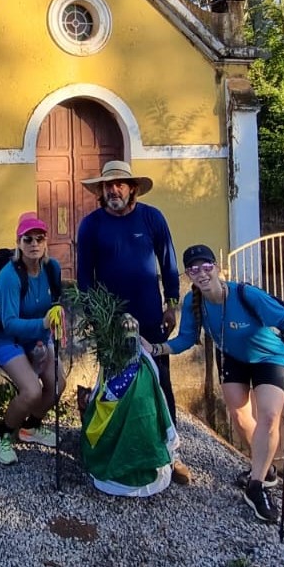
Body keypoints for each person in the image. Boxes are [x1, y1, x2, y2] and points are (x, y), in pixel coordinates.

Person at [143, 244, 284, 523]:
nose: (201, 273)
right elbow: (186, 338)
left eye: (206, 266)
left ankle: (256, 485)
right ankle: (265, 467)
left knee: (269, 416)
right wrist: (156, 349)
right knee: (238, 414)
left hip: (269, 357)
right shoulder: (192, 302)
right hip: (231, 356)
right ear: (189, 274)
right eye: (194, 269)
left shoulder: (246, 294)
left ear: (217, 268)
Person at [76, 159, 190, 484]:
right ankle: (114, 450)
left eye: (119, 184)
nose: (113, 190)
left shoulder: (152, 218)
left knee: (160, 383)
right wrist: (95, 317)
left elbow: (168, 262)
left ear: (132, 189)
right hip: (110, 321)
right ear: (101, 191)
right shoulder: (91, 225)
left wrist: (171, 304)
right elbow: (85, 277)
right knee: (114, 384)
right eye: (107, 186)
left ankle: (170, 452)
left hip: (152, 318)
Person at [0, 212, 66, 465]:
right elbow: (9, 323)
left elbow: (53, 303)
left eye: (39, 239)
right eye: (27, 239)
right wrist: (42, 325)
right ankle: (3, 435)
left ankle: (30, 427)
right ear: (18, 242)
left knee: (57, 385)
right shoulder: (10, 276)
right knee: (32, 390)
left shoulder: (51, 268)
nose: (34, 244)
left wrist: (45, 337)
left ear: (46, 242)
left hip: (37, 336)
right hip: (5, 338)